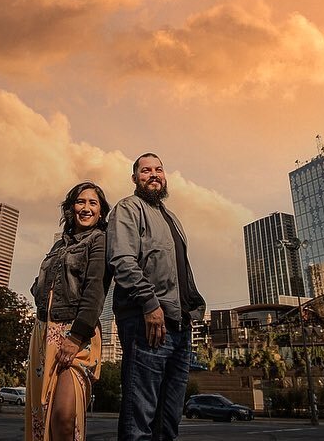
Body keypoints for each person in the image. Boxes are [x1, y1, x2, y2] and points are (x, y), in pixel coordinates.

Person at [107, 153, 205, 441]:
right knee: (140, 419)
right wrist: (150, 304)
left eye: (158, 169)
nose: (153, 174)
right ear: (135, 178)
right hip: (146, 320)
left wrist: (193, 309)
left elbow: (179, 269)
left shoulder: (171, 218)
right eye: (145, 170)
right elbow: (122, 260)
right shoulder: (128, 208)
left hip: (179, 325)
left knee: (169, 420)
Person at [27, 181, 111, 441]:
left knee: (63, 417)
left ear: (100, 211)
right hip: (43, 333)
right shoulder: (58, 246)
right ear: (71, 207)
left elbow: (95, 291)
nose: (86, 208)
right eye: (80, 202)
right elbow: (38, 286)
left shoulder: (99, 240)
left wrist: (75, 337)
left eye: (92, 203)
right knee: (42, 416)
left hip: (77, 334)